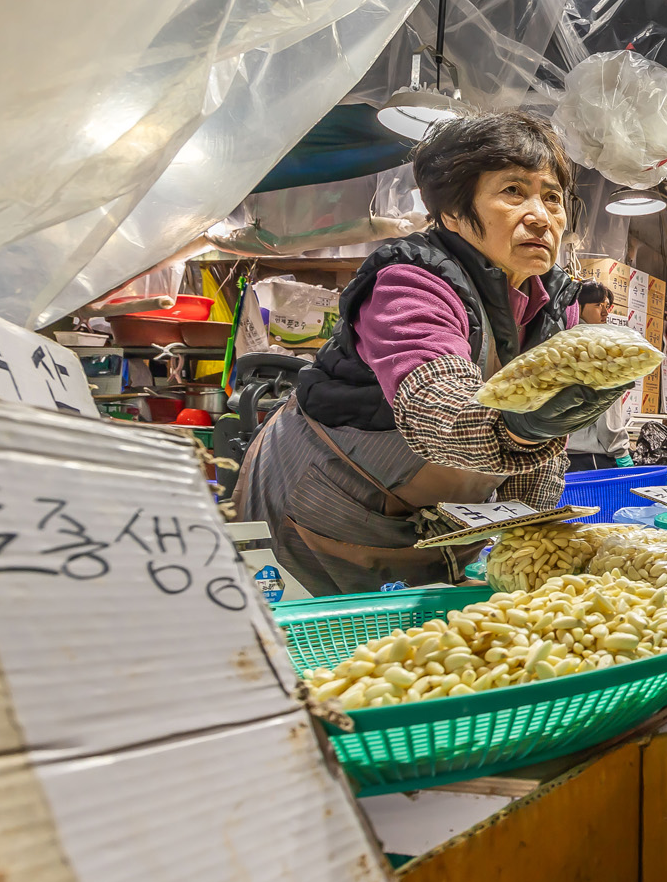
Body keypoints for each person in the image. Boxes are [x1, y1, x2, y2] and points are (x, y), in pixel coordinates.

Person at [236, 110, 631, 593]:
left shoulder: (555, 305)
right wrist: (519, 425)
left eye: (551, 197)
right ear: (452, 211)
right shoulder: (411, 282)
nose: (540, 215)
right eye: (512, 191)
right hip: (324, 510)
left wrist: (533, 540)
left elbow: (540, 455)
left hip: (431, 530)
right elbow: (434, 402)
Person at [564, 281, 636, 471]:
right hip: (592, 457)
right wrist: (621, 452)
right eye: (597, 306)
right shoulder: (600, 348)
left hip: (562, 455)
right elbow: (606, 411)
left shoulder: (562, 341)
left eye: (606, 306)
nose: (605, 313)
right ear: (578, 307)